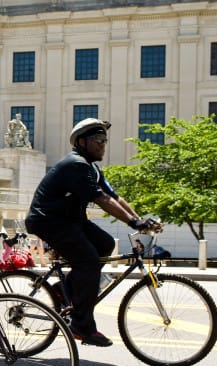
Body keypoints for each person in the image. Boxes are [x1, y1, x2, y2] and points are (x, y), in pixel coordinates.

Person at [25, 118, 161, 347]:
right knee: (87, 261)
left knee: (105, 244)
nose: (103, 145)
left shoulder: (92, 169)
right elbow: (102, 199)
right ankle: (81, 326)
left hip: (70, 221)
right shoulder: (75, 165)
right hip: (49, 221)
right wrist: (133, 224)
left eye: (105, 140)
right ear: (81, 142)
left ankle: (64, 290)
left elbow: (115, 196)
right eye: (98, 140)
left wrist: (139, 219)